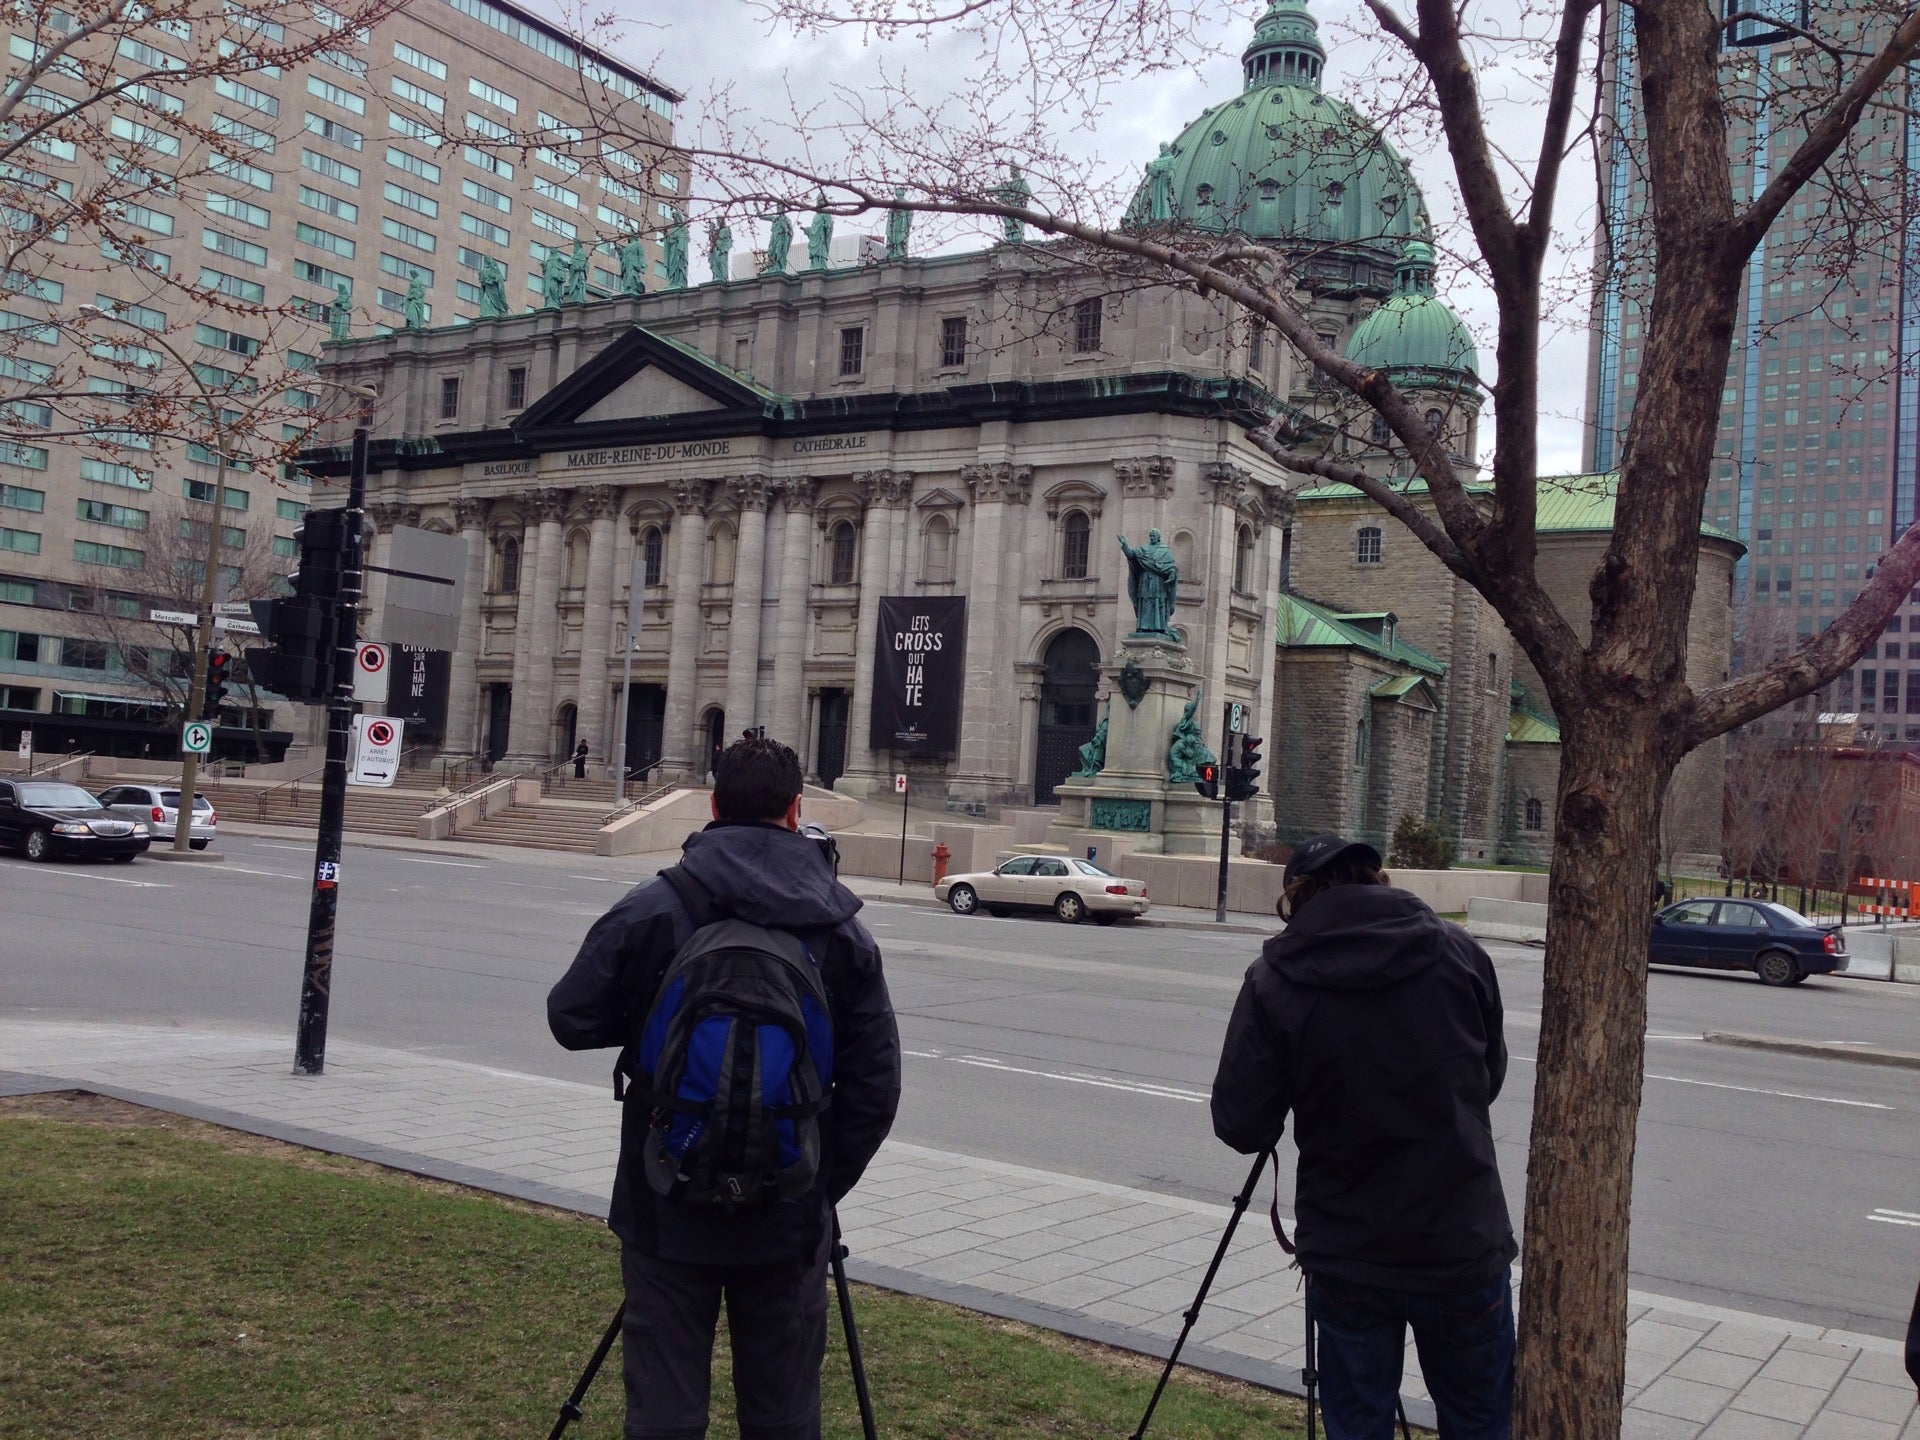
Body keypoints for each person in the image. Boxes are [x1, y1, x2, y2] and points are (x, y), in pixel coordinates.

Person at [548, 736, 901, 1440]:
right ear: (797, 811)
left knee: (665, 1411)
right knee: (782, 1415)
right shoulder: (842, 930)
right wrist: (815, 1180)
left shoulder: (656, 906)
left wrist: (654, 1021)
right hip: (787, 1211)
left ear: (713, 806)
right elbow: (874, 1087)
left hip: (664, 1197)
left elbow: (571, 1015)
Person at [1212, 833, 1516, 1440]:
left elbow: (1241, 1124)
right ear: (1376, 880)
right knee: (1481, 1425)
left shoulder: (1276, 976)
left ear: (1297, 898)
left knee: (1357, 1429)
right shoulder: (1459, 952)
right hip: (1460, 1238)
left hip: (1350, 1250)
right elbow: (1488, 1078)